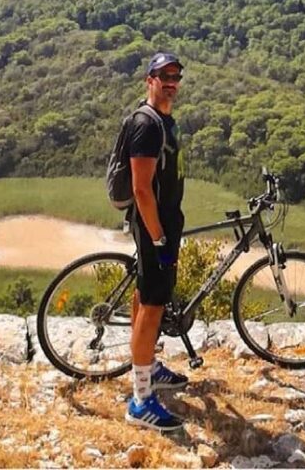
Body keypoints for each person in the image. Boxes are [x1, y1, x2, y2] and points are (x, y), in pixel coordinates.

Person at [124, 51, 189, 432]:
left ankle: (147, 367)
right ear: (149, 79)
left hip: (163, 223)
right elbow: (141, 189)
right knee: (152, 305)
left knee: (144, 297)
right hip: (154, 227)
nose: (171, 82)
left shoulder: (164, 120)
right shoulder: (147, 126)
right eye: (163, 75)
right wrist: (160, 239)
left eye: (175, 76)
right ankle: (141, 400)